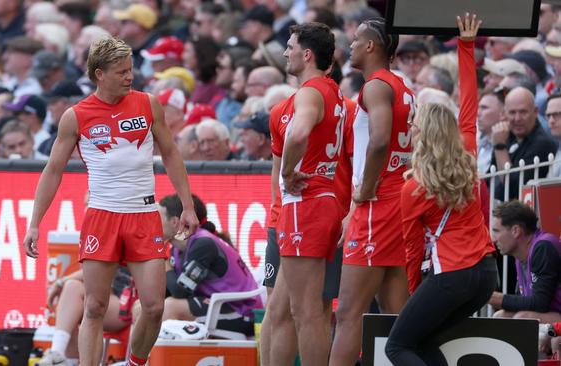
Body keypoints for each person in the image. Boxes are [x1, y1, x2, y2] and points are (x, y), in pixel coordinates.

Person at [23, 37, 198, 366]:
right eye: (121, 72)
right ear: (99, 74)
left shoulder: (148, 104)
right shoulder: (76, 116)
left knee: (154, 306)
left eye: (131, 70)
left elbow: (172, 154)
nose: (130, 77)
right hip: (102, 216)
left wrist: (187, 205)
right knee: (94, 307)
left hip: (144, 214)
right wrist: (34, 223)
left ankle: (135, 362)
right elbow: (52, 171)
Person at [384, 14, 498, 365]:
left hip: (451, 274)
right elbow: (469, 108)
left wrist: (418, 291)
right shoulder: (466, 154)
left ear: (420, 134)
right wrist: (466, 46)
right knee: (423, 338)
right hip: (486, 274)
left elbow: (412, 246)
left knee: (396, 346)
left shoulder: (414, 187)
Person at [330, 17, 412, 365]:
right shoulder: (403, 86)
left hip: (379, 202)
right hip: (399, 199)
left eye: (356, 39)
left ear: (371, 46)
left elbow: (379, 140)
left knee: (349, 313)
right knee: (398, 313)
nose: (349, 44)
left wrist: (364, 189)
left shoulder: (376, 86)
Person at [267, 22, 343, 365]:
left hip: (307, 202)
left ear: (307, 54)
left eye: (290, 46)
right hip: (323, 199)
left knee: (306, 311)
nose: (285, 52)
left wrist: (286, 173)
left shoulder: (310, 92)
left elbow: (297, 135)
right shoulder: (332, 90)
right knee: (281, 309)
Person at [132, 194, 262, 336]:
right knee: (142, 306)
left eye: (158, 218)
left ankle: (155, 357)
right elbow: (167, 291)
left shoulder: (203, 244)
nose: (152, 224)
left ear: (175, 222)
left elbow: (180, 292)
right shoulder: (177, 248)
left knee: (170, 308)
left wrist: (161, 258)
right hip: (215, 304)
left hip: (240, 311)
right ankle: (139, 358)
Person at [37, 267, 133, 366]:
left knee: (73, 289)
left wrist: (60, 283)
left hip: (132, 305)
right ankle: (58, 355)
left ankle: (59, 358)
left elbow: (98, 269)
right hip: (112, 297)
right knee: (72, 288)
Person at [489, 200, 561, 324]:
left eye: (496, 231)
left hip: (556, 314)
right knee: (500, 316)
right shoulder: (521, 256)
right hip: (551, 315)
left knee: (522, 319)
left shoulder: (543, 247)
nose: (493, 239)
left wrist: (491, 297)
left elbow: (540, 304)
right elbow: (525, 301)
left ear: (516, 231)